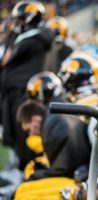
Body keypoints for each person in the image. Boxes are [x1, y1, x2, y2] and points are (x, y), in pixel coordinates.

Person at [0, 0, 53, 169]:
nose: (17, 24)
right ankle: (21, 165)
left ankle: (26, 168)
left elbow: (5, 60)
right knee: (17, 132)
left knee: (24, 132)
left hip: (23, 93)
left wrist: (11, 38)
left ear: (30, 19)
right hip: (18, 92)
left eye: (21, 20)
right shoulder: (34, 37)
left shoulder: (35, 38)